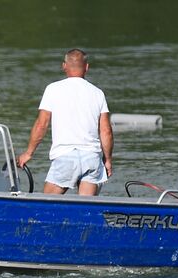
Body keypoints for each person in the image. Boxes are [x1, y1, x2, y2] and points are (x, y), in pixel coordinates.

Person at [16, 49, 113, 196]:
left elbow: (42, 125)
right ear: (86, 67)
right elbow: (106, 131)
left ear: (64, 66)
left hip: (65, 157)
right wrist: (107, 160)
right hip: (92, 159)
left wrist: (28, 153)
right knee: (85, 212)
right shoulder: (98, 93)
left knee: (46, 208)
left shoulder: (53, 89)